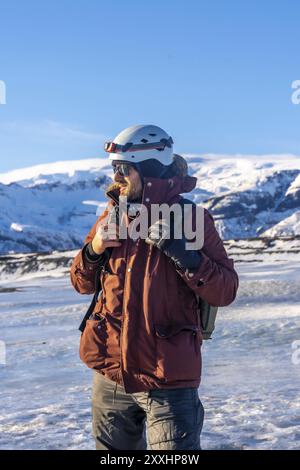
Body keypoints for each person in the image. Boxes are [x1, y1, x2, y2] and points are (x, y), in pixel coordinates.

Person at [70, 124, 239, 450]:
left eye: (123, 168)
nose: (116, 176)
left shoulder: (193, 220)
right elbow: (79, 282)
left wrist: (187, 257)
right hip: (110, 376)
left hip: (168, 382)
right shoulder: (112, 213)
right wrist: (95, 249)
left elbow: (226, 290)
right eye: (114, 168)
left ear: (148, 169)